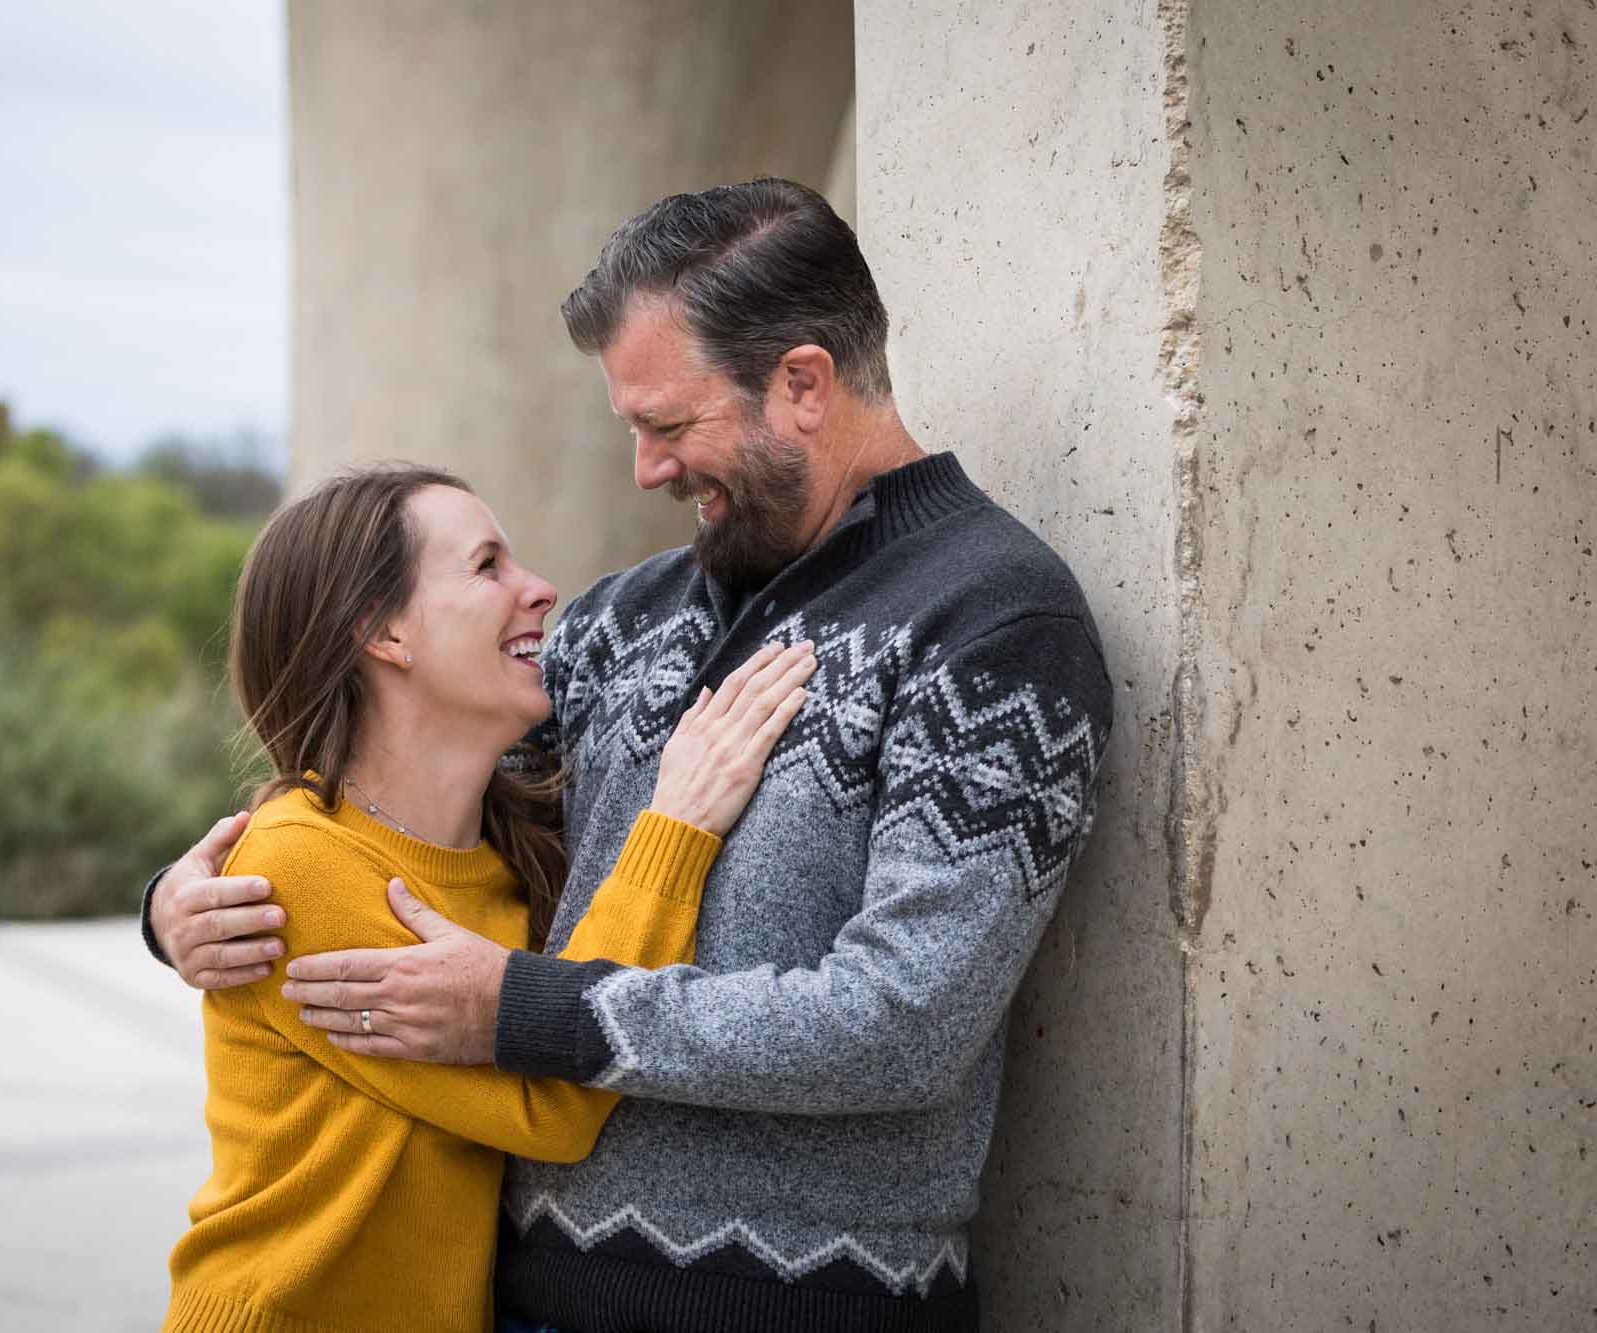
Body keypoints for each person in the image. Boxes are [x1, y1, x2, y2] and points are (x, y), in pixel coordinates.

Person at [147, 179, 1114, 1333]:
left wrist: (532, 1010)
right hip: (517, 1302)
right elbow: (399, 804)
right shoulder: (622, 622)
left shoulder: (995, 620)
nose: (645, 470)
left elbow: (906, 1024)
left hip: (802, 1314)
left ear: (800, 384)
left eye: (667, 425)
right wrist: (174, 905)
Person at [157, 462, 815, 1333]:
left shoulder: (512, 856)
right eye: (486, 566)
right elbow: (551, 1105)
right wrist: (679, 818)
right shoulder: (297, 865)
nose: (540, 589)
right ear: (385, 632)